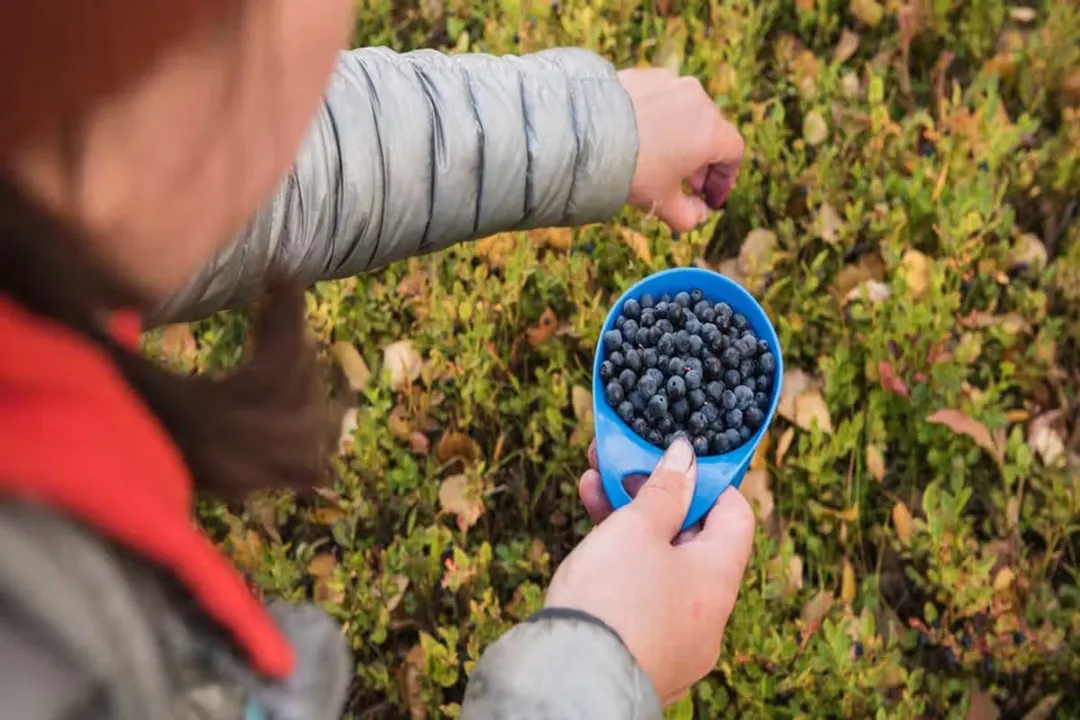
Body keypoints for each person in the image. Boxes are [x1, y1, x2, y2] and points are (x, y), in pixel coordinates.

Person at [0, 2, 754, 718]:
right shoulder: (55, 665)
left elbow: (276, 160)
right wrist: (595, 673)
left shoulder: (59, 199)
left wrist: (586, 131)